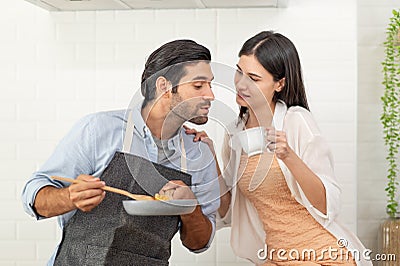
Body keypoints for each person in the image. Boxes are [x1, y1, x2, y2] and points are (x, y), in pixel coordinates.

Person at [21, 39, 220, 266]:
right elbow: (33, 197)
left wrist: (190, 208)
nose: (210, 95)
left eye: (210, 85)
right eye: (198, 86)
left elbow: (199, 243)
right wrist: (69, 197)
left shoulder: (199, 153)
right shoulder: (99, 130)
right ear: (164, 86)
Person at [187, 31, 372, 265]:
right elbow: (228, 210)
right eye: (238, 72)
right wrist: (210, 155)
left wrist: (288, 156)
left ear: (279, 83)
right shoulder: (235, 132)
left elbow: (328, 205)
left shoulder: (296, 121)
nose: (241, 85)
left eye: (253, 78)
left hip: (323, 254)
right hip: (278, 256)